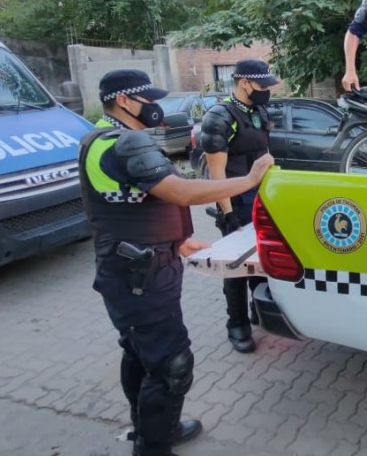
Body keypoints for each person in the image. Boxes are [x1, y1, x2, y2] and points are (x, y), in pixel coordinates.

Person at [78, 69, 275, 456]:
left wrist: (177, 240)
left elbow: (124, 202)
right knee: (172, 365)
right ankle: (154, 446)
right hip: (141, 277)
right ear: (124, 101)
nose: (156, 106)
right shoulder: (124, 142)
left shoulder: (97, 138)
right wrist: (249, 179)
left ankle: (150, 430)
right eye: (148, 99)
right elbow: (180, 191)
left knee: (140, 354)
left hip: (133, 267)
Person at [198, 59, 280, 354]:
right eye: (262, 85)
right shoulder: (219, 118)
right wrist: (228, 214)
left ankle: (260, 308)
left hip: (261, 198)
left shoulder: (259, 110)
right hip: (234, 199)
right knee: (235, 267)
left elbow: (264, 154)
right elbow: (216, 174)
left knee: (262, 258)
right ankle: (237, 324)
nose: (266, 90)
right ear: (244, 83)